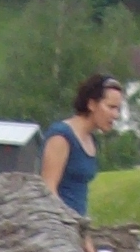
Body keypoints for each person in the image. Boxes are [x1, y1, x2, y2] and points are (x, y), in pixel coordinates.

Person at [39, 75, 124, 226]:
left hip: (76, 225)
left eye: (118, 109)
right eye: (111, 107)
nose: (116, 115)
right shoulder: (62, 136)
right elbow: (48, 189)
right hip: (56, 227)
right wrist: (71, 226)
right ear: (92, 104)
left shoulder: (92, 140)